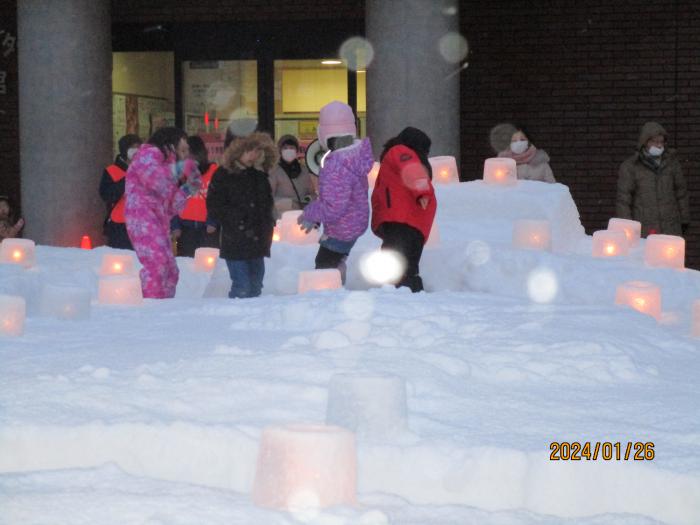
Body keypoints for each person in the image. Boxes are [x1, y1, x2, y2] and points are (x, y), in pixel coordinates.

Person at [298, 101, 374, 283]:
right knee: (334, 261)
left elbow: (333, 207)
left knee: (324, 267)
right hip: (354, 222)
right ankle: (338, 281)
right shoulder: (355, 157)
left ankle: (331, 300)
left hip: (342, 228)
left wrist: (311, 213)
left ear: (323, 134)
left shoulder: (336, 165)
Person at [125, 127, 201, 299]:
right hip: (141, 216)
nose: (187, 151)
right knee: (157, 262)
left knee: (170, 268)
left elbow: (171, 204)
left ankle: (164, 304)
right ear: (172, 142)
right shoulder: (148, 154)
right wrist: (181, 169)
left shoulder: (166, 165)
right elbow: (157, 180)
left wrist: (189, 188)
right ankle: (152, 305)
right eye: (184, 145)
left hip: (158, 220)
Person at [206, 132, 276, 299]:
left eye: (258, 150)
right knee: (242, 286)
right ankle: (237, 318)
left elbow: (267, 204)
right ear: (237, 151)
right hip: (235, 239)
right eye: (250, 150)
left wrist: (268, 223)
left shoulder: (259, 175)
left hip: (258, 240)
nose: (254, 154)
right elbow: (214, 206)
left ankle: (252, 320)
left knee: (256, 284)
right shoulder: (223, 175)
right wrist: (236, 218)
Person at [371, 127, 436, 292]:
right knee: (402, 263)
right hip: (404, 218)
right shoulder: (402, 151)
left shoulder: (395, 154)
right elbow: (414, 171)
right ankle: (406, 293)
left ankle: (402, 294)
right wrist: (423, 193)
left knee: (399, 263)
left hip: (404, 218)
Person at [617, 121, 690, 237]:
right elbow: (624, 200)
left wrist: (684, 219)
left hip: (671, 228)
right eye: (655, 142)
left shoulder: (672, 164)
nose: (659, 145)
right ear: (645, 142)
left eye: (661, 142)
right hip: (644, 229)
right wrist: (627, 227)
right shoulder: (631, 167)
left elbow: (681, 192)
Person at [171, 135, 220, 256]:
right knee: (187, 265)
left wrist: (212, 221)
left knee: (207, 265)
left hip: (208, 228)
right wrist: (175, 225)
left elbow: (220, 199)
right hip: (185, 228)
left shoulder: (215, 172)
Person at [100, 134, 142, 249]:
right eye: (133, 148)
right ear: (125, 150)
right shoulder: (112, 171)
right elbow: (107, 195)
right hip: (119, 226)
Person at [268, 134, 316, 217]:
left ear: (296, 150)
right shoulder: (274, 171)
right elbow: (268, 198)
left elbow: (312, 194)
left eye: (292, 148)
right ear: (280, 151)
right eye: (285, 148)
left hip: (302, 217)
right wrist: (290, 203)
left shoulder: (304, 170)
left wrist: (308, 199)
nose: (288, 151)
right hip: (282, 218)